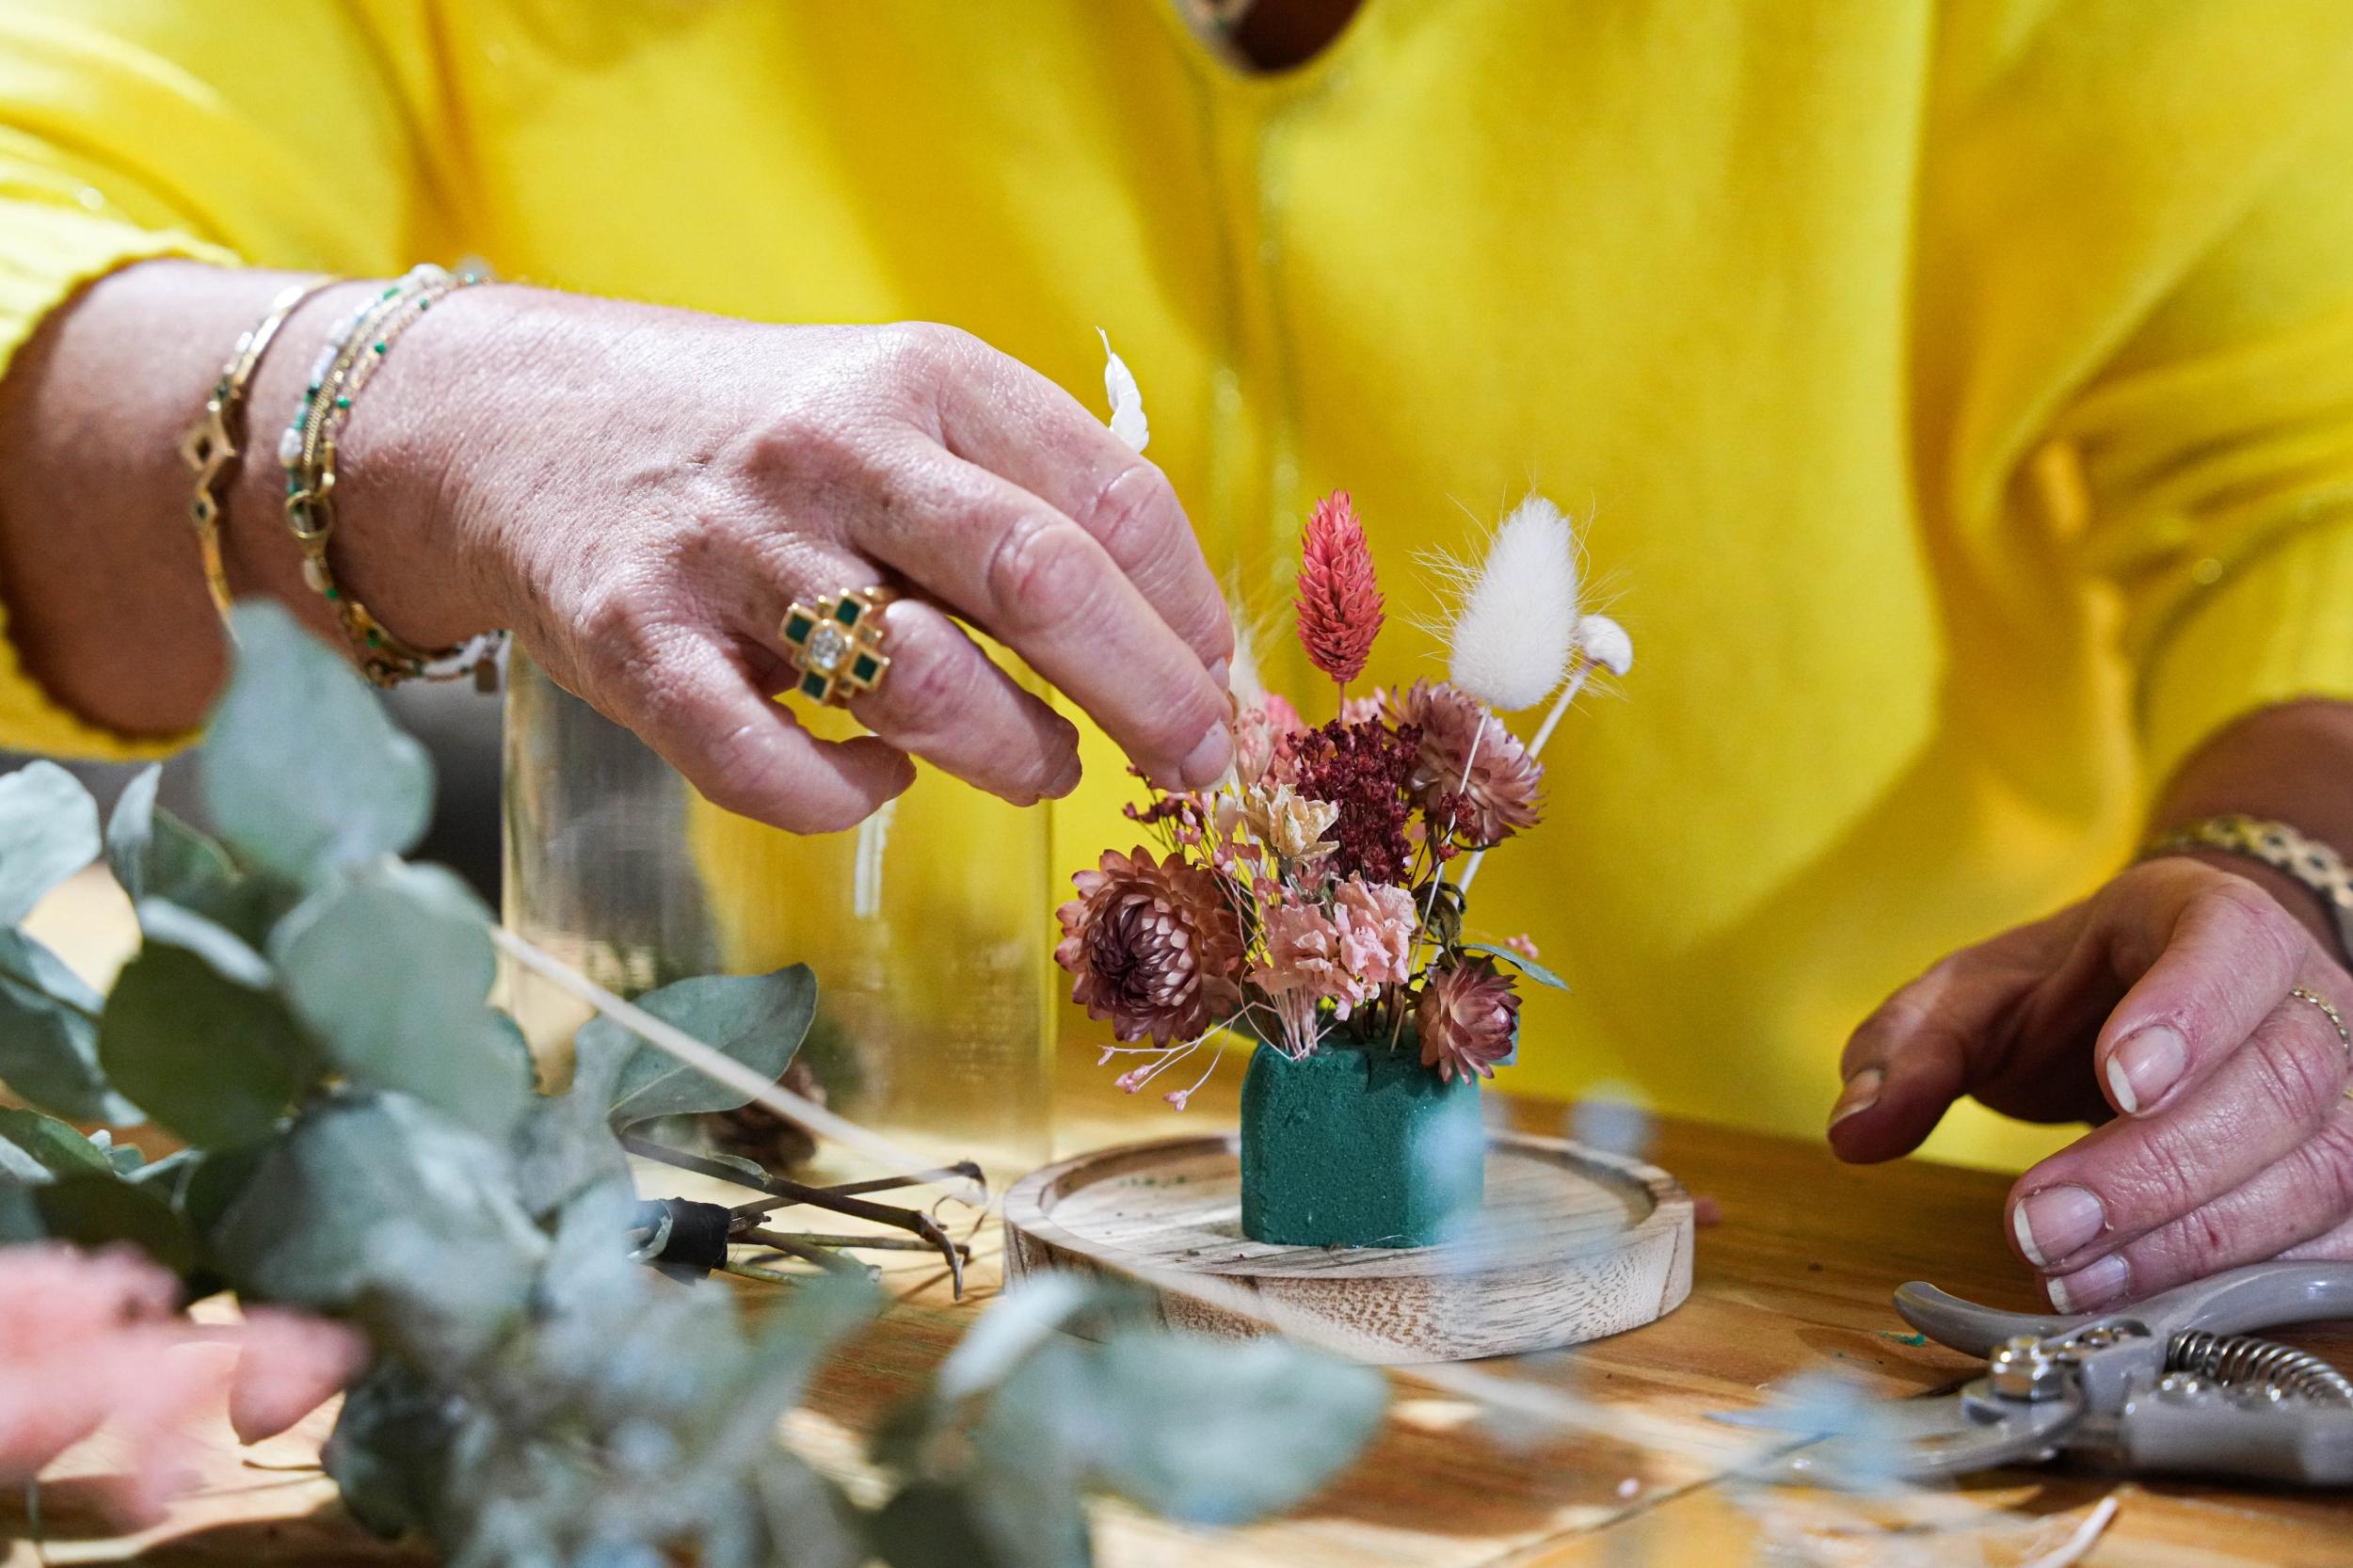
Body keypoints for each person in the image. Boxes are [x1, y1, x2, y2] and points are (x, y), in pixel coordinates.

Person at [0, 0, 2348, 1318]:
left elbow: (2304, 460)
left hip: (1820, 1295)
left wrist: (2291, 878)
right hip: (786, 1314)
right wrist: (400, 400)